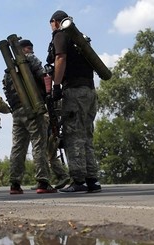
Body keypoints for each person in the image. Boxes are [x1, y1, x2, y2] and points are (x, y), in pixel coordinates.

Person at [46, 10, 101, 193]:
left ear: (54, 22)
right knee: (86, 135)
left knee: (73, 134)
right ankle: (92, 179)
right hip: (90, 91)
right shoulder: (80, 39)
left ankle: (78, 180)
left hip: (74, 91)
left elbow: (60, 57)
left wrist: (56, 85)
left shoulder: (61, 34)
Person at [3, 39, 56, 194]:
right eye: (29, 48)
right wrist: (48, 94)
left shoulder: (9, 69)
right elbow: (43, 76)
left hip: (17, 112)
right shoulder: (31, 59)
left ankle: (14, 184)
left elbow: (7, 91)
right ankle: (43, 182)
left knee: (18, 147)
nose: (31, 50)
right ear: (26, 49)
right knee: (39, 144)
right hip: (33, 108)